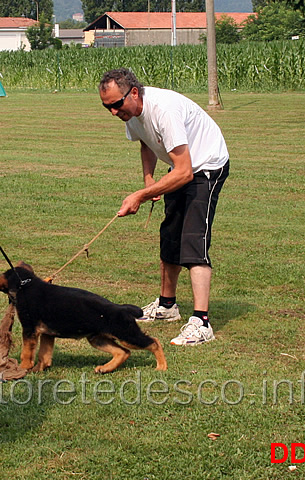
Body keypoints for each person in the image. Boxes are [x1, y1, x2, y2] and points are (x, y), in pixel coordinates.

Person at [99, 68, 229, 346]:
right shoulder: (131, 112)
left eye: (116, 104)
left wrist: (141, 195)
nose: (112, 111)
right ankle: (167, 306)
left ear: (133, 92)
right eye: (106, 106)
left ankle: (202, 322)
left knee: (193, 241)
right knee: (170, 235)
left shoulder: (164, 110)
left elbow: (184, 173)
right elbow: (146, 143)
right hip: (181, 168)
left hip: (206, 165)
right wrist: (149, 180)